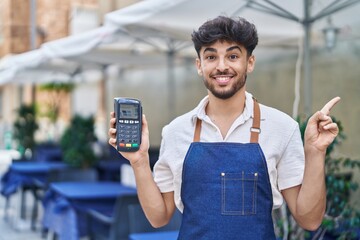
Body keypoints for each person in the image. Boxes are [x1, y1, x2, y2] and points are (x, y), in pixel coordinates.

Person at [108, 16, 340, 239]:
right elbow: (159, 217)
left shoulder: (282, 128)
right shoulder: (175, 131)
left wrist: (315, 152)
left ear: (249, 63)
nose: (221, 66)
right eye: (211, 57)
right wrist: (138, 161)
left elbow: (309, 220)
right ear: (199, 65)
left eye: (232, 56)